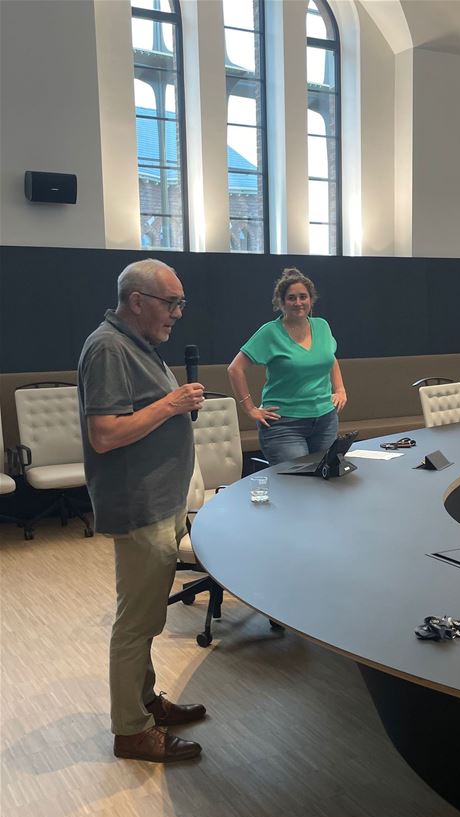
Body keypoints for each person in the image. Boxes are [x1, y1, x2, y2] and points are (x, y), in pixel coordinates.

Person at [78, 258, 207, 763]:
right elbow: (105, 434)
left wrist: (172, 405)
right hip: (139, 505)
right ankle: (130, 731)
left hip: (161, 501)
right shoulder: (108, 348)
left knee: (148, 616)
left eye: (180, 303)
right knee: (137, 623)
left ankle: (146, 701)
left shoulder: (139, 345)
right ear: (137, 301)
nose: (178, 313)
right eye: (171, 303)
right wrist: (171, 404)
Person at [227, 267, 347, 465]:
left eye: (303, 297)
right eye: (291, 298)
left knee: (327, 478)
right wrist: (250, 409)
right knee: (297, 481)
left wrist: (340, 389)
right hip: (284, 425)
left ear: (311, 300)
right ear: (281, 302)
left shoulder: (322, 326)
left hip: (325, 420)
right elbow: (235, 369)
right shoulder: (270, 332)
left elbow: (330, 358)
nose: (298, 302)